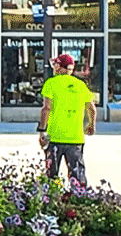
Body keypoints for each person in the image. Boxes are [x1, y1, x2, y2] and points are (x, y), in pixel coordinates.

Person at [38, 53, 96, 186]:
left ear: (59, 66)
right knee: (77, 176)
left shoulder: (51, 83)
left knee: (51, 176)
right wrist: (91, 125)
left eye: (55, 64)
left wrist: (42, 130)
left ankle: (51, 201)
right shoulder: (81, 85)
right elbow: (92, 109)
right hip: (75, 138)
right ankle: (78, 201)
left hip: (54, 137)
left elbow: (46, 108)